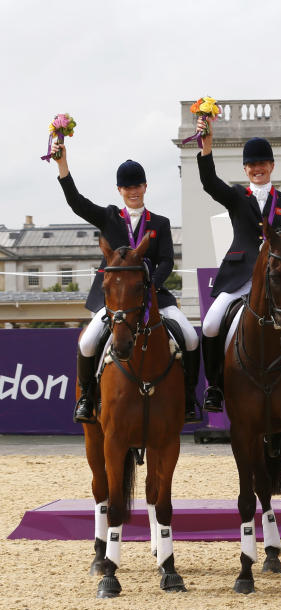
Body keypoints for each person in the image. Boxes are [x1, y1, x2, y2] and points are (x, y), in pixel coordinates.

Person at [195, 117, 281, 411]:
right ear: (245, 169)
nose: (257, 168)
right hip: (242, 278)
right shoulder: (237, 197)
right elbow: (209, 183)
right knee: (210, 324)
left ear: (272, 166)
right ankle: (215, 386)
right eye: (251, 164)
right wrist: (206, 147)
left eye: (262, 163)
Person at [53, 142, 201, 425]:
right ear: (119, 190)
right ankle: (86, 397)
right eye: (127, 187)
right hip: (114, 300)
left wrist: (151, 288)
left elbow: (167, 261)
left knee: (191, 337)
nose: (133, 191)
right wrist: (63, 167)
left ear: (145, 187)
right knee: (87, 343)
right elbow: (76, 202)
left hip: (154, 295)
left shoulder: (159, 222)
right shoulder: (109, 216)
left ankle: (189, 396)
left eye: (138, 186)